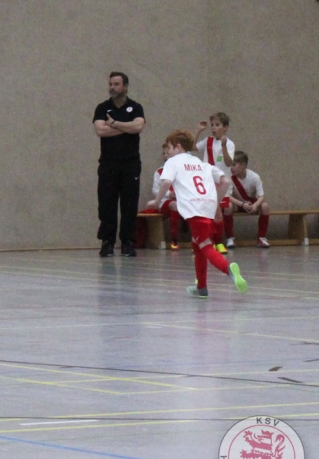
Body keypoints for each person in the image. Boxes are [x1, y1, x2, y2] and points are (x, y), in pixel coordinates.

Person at [148, 129, 248, 299]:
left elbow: (166, 183)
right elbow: (225, 181)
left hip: (194, 209)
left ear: (178, 147)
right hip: (206, 207)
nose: (168, 152)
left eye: (170, 148)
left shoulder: (173, 162)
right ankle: (201, 287)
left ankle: (228, 269)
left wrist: (157, 202)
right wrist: (215, 204)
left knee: (205, 246)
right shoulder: (202, 163)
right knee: (197, 245)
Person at [92, 72, 146, 257]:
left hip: (130, 165)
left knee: (129, 205)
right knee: (107, 204)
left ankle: (128, 242)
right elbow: (100, 130)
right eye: (110, 84)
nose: (112, 87)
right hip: (108, 164)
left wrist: (114, 123)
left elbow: (138, 127)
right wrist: (126, 127)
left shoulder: (136, 107)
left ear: (125, 87)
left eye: (116, 84)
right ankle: (107, 242)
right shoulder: (102, 108)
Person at [194, 112, 236, 252]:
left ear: (225, 127)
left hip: (222, 184)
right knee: (209, 212)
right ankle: (209, 241)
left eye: (217, 125)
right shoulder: (207, 141)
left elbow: (229, 163)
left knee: (219, 213)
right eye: (212, 125)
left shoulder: (229, 144)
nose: (214, 127)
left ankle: (219, 241)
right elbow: (192, 147)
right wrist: (198, 131)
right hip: (208, 182)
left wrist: (223, 146)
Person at [141, 142, 182, 250]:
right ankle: (174, 240)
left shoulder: (182, 170)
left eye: (168, 153)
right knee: (174, 205)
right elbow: (155, 190)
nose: (165, 155)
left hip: (182, 200)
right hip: (165, 202)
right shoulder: (159, 171)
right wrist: (169, 194)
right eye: (164, 153)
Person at [229, 150, 271, 248]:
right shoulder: (230, 178)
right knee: (228, 206)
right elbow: (228, 196)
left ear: (243, 165)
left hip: (251, 204)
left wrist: (255, 205)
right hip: (238, 204)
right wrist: (242, 204)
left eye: (234, 165)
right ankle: (230, 238)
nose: (231, 168)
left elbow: (261, 196)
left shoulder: (254, 177)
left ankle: (261, 238)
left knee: (265, 206)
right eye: (230, 165)